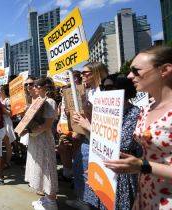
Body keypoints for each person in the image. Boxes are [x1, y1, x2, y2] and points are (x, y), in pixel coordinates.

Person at [104, 46, 172, 210]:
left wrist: (142, 166)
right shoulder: (147, 107)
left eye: (136, 71)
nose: (129, 76)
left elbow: (144, 163)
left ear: (165, 70)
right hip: (145, 195)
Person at [67, 62, 109, 209]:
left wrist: (87, 122)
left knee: (97, 175)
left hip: (102, 140)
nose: (82, 75)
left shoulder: (106, 92)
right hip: (87, 137)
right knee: (80, 168)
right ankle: (85, 200)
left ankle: (93, 203)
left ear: (97, 73)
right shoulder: (89, 92)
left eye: (86, 73)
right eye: (82, 73)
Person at [98, 74, 143, 210]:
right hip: (107, 167)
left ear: (124, 89)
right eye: (103, 88)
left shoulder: (135, 112)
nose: (105, 92)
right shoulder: (105, 111)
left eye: (110, 87)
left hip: (123, 170)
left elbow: (123, 142)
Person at [19, 78, 58, 210]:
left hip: (44, 139)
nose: (33, 88)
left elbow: (47, 125)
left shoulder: (50, 101)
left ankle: (52, 201)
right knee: (40, 168)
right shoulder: (35, 101)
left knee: (47, 169)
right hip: (35, 139)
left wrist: (28, 130)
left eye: (36, 86)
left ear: (43, 88)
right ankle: (47, 199)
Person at [0, 84, 16, 169]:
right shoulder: (0, 100)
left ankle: (8, 162)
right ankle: (1, 161)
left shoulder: (8, 100)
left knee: (8, 144)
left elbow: (10, 113)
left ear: (4, 91)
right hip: (0, 123)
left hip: (6, 122)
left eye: (0, 90)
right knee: (1, 144)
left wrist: (2, 108)